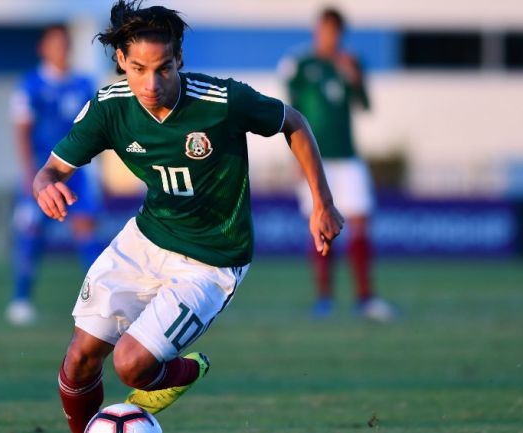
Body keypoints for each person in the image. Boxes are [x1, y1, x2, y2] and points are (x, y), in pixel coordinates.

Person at [34, 2, 343, 432]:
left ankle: (184, 371)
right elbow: (50, 170)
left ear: (179, 58)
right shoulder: (110, 107)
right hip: (146, 240)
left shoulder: (222, 101)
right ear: (121, 60)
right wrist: (45, 186)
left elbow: (294, 122)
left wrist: (322, 203)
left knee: (130, 365)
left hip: (211, 260)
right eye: (138, 68)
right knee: (79, 360)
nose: (150, 82)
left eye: (162, 68)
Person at [279, 7, 394, 321]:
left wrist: (354, 78)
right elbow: (290, 113)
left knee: (359, 222)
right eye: (324, 30)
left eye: (335, 32)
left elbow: (366, 106)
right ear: (318, 30)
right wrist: (294, 158)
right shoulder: (300, 65)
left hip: (348, 156)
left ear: (341, 34)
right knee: (321, 226)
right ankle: (324, 298)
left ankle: (365, 298)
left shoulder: (351, 63)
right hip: (315, 159)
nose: (329, 37)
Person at [6, 24, 103, 326]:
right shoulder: (30, 86)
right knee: (32, 234)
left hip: (79, 173)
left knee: (86, 232)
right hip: (44, 173)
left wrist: (103, 170)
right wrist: (28, 172)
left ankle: (101, 301)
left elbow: (101, 129)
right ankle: (21, 300)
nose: (62, 49)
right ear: (43, 49)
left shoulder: (84, 84)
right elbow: (22, 130)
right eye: (55, 44)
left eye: (65, 44)